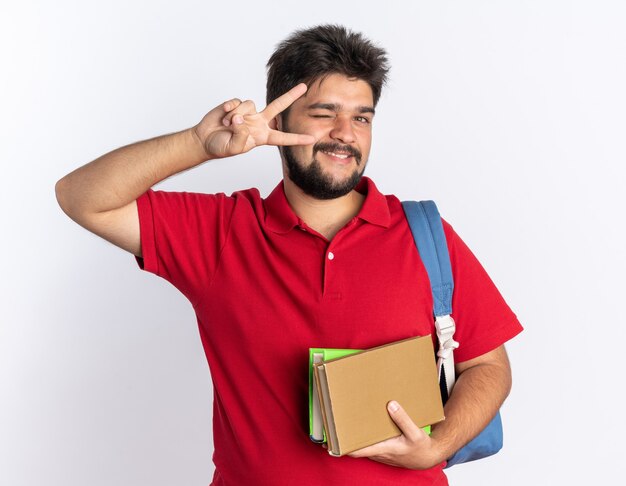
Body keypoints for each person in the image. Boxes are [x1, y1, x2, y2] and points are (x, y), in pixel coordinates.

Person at [56, 24, 522, 486]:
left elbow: (488, 366)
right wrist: (198, 145)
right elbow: (82, 198)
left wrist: (437, 448)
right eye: (325, 113)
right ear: (277, 122)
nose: (346, 134)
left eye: (362, 117)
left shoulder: (425, 234)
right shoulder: (222, 232)